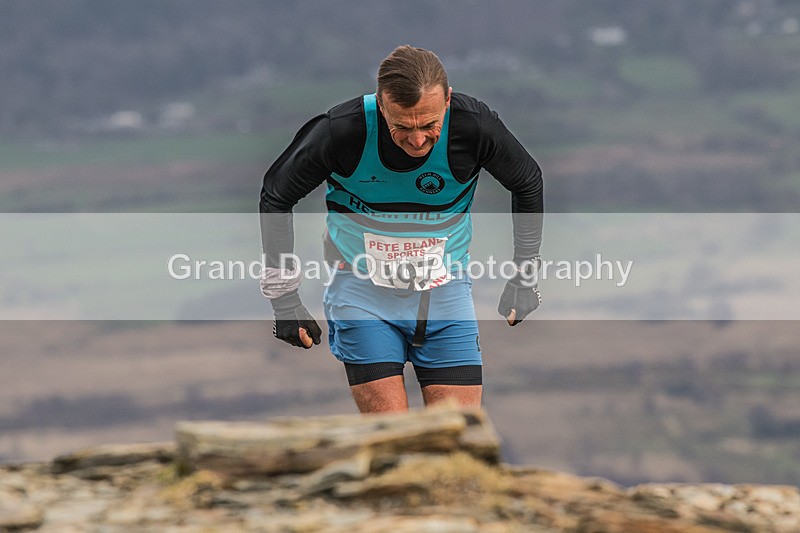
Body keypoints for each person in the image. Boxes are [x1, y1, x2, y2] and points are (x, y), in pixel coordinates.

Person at [259, 45, 543, 414]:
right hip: (362, 294)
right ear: (381, 104)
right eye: (402, 127)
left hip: (445, 294)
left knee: (457, 434)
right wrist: (284, 300)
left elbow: (527, 181)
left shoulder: (473, 126)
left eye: (429, 125)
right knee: (393, 435)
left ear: (447, 100)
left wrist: (524, 277)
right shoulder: (341, 131)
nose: (418, 140)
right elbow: (276, 195)